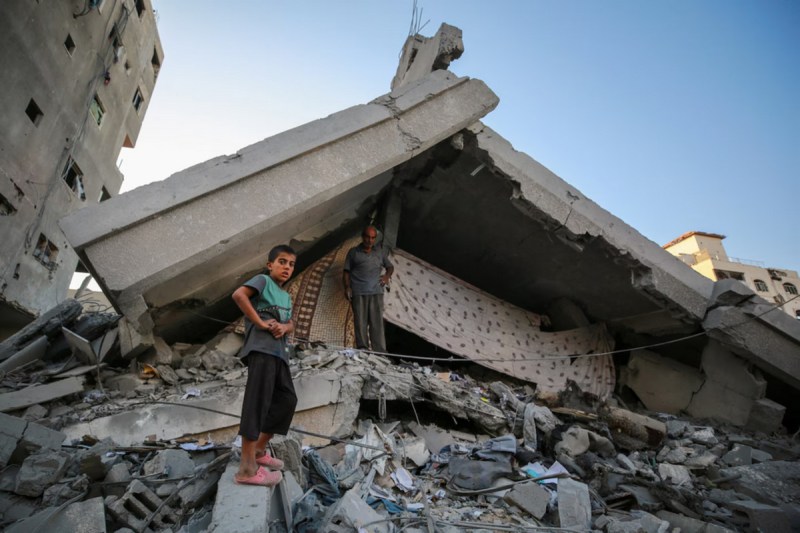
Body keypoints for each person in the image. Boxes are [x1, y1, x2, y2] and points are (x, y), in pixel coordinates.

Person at [231, 245, 298, 486]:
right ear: (270, 265)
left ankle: (259, 451)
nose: (286, 267)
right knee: (257, 403)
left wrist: (285, 327)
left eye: (291, 264)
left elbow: (291, 322)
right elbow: (239, 295)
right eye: (282, 262)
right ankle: (247, 469)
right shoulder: (262, 281)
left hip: (280, 354)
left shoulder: (286, 296)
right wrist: (259, 322)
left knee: (287, 400)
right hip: (261, 350)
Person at [343, 225, 394, 354]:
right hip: (358, 292)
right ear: (362, 236)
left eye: (372, 238)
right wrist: (347, 287)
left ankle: (380, 351)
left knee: (376, 323)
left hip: (376, 292)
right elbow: (346, 272)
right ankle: (363, 349)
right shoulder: (353, 252)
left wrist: (386, 277)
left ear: (375, 239)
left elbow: (390, 267)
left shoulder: (380, 252)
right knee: (360, 322)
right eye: (367, 237)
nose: (369, 240)